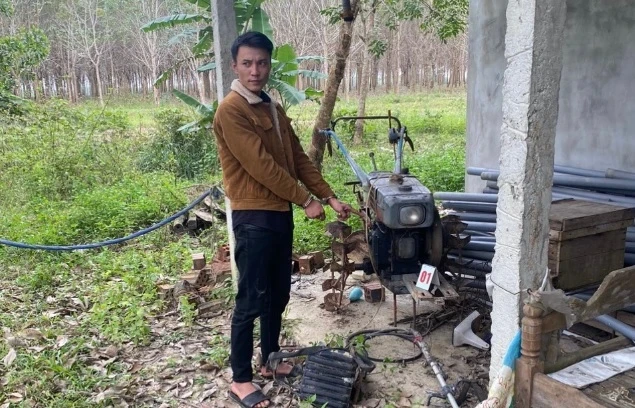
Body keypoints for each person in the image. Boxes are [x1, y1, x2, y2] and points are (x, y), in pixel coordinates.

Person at [212, 31, 352, 408]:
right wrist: (305, 199)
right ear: (235, 66)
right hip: (253, 214)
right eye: (247, 63)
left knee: (278, 292)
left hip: (278, 215)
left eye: (261, 63)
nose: (255, 70)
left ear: (269, 65)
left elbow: (298, 159)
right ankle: (240, 379)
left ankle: (270, 359)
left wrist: (328, 196)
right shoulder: (231, 109)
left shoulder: (270, 107)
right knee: (252, 297)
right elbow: (261, 166)